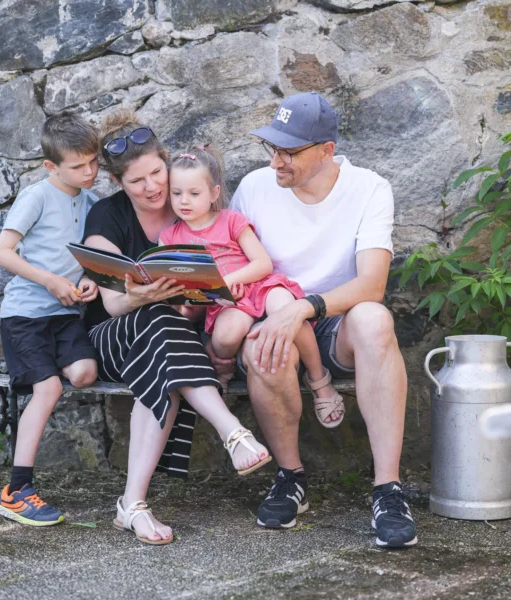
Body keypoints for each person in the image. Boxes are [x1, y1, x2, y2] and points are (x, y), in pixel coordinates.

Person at [218, 92, 417, 548]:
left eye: (289, 152)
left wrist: (303, 307)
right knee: (264, 345)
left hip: (336, 321)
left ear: (326, 151)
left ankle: (388, 489)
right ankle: (291, 478)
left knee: (374, 319)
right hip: (270, 314)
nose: (276, 163)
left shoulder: (369, 188)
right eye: (272, 149)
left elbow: (372, 284)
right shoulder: (254, 187)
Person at [82, 109, 271, 546]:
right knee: (154, 318)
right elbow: (112, 305)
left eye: (155, 173)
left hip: (173, 336)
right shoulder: (106, 219)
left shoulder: (188, 202)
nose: (152, 187)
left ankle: (132, 506)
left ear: (166, 160)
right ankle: (232, 432)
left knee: (163, 344)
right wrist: (143, 296)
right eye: (136, 181)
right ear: (118, 184)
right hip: (114, 336)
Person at [159, 146, 344, 427]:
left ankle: (319, 379)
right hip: (223, 303)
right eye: (176, 193)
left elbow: (262, 263)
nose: (184, 201)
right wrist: (201, 298)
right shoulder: (170, 237)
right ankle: (223, 371)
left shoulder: (231, 220)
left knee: (288, 310)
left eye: (194, 194)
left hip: (258, 285)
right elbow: (181, 289)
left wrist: (232, 280)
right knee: (225, 336)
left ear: (214, 194)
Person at [0, 113, 101, 526]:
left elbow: (91, 258)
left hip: (65, 316)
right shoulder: (36, 196)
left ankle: (44, 375)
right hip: (26, 317)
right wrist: (51, 280)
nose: (89, 172)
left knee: (86, 372)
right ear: (51, 166)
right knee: (50, 388)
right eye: (78, 166)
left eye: (93, 161)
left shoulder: (90, 202)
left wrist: (88, 279)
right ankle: (16, 490)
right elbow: (0, 252)